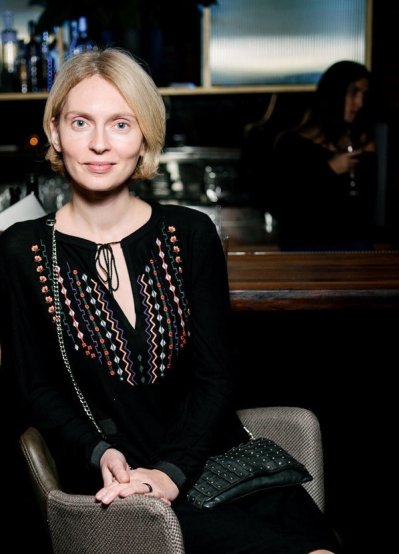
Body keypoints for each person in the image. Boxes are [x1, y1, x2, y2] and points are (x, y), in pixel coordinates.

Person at [0, 47, 342, 554]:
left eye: (121, 124)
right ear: (55, 132)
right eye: (80, 122)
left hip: (219, 465)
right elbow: (33, 389)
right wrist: (98, 453)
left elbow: (216, 377)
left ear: (144, 137)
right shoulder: (21, 249)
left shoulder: (191, 234)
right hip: (119, 486)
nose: (99, 143)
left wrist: (172, 471)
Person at [271, 60, 378, 251]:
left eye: (364, 94)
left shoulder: (360, 139)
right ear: (335, 93)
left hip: (354, 246)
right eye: (353, 93)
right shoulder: (292, 144)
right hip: (306, 249)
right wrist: (330, 169)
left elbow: (367, 204)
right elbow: (285, 205)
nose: (360, 103)